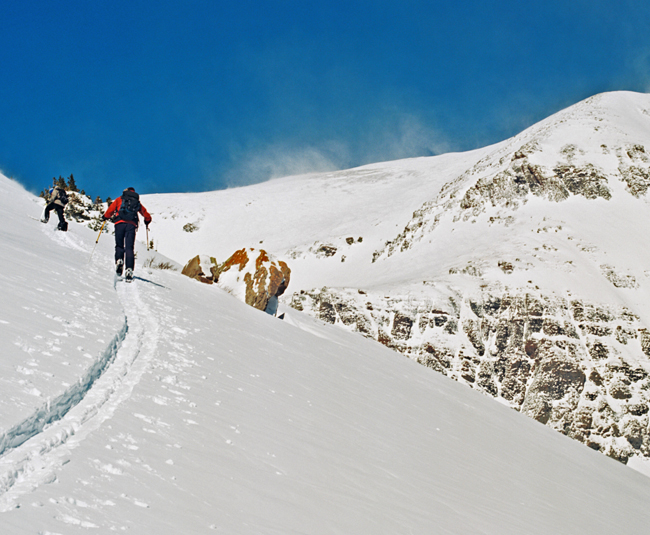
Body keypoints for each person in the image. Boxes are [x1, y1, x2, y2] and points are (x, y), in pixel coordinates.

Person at [103, 187, 152, 281]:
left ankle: (119, 260)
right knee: (129, 247)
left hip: (119, 224)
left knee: (119, 245)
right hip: (131, 225)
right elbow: (145, 213)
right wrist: (147, 220)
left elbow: (111, 210)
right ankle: (129, 269)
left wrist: (105, 217)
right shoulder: (136, 201)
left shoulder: (119, 199)